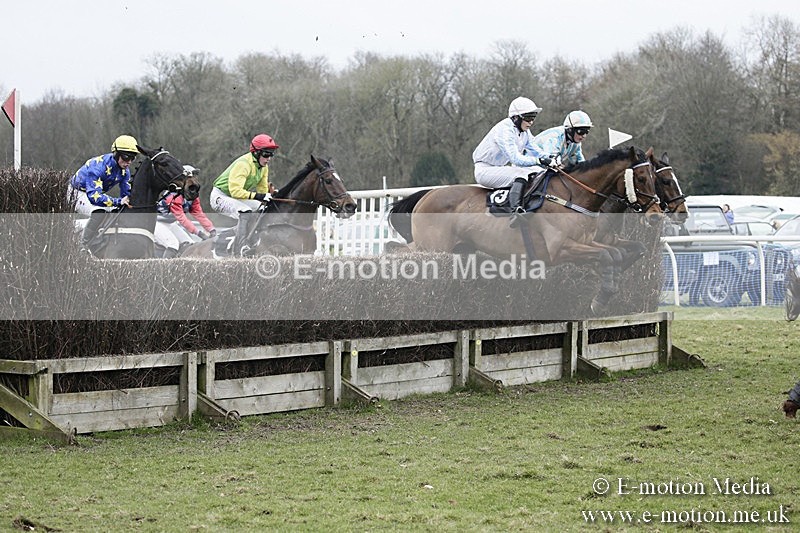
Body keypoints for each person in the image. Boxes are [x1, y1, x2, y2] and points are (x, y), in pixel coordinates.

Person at [472, 97, 552, 224]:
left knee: (538, 171)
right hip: (484, 171)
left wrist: (551, 158)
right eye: (528, 118)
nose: (531, 122)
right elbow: (515, 159)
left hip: (498, 169)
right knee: (521, 173)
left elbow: (536, 149)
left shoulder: (524, 131)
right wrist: (539, 160)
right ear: (516, 117)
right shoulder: (505, 130)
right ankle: (516, 211)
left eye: (533, 117)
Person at [210, 134, 278, 255]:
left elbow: (262, 191)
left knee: (263, 208)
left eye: (271, 154)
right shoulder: (244, 164)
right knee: (245, 211)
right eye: (266, 154)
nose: (269, 158)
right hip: (220, 197)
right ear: (256, 153)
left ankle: (255, 239)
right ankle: (240, 248)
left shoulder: (263, 167)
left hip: (236, 197)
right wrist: (258, 196)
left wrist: (269, 197)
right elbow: (235, 191)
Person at [67, 134, 137, 250]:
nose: (129, 162)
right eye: (126, 157)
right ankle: (81, 246)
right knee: (98, 212)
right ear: (116, 154)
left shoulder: (125, 171)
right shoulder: (98, 167)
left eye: (132, 158)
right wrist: (118, 201)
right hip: (76, 193)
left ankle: (100, 241)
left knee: (117, 210)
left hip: (94, 193)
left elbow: (126, 196)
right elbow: (94, 197)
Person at [155, 165, 217, 256]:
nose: (195, 179)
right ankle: (164, 269)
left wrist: (211, 229)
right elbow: (182, 218)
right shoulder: (173, 195)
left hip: (171, 224)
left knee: (189, 244)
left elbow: (199, 214)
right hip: (157, 224)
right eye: (192, 177)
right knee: (173, 244)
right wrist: (199, 233)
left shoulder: (192, 195)